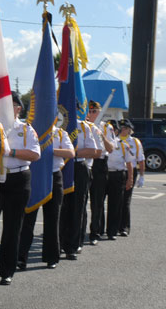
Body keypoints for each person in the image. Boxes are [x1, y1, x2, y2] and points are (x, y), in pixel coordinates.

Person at [0, 91, 40, 285]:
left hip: (18, 178)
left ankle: (6, 271)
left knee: (12, 228)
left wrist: (10, 152)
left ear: (18, 108)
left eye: (9, 104)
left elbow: (35, 154)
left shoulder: (26, 129)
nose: (4, 108)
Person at [18, 124, 74, 269]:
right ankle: (21, 257)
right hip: (35, 176)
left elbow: (71, 153)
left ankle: (51, 257)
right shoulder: (32, 130)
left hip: (54, 176)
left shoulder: (60, 133)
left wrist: (50, 150)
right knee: (28, 218)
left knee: (53, 218)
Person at [60, 117, 99, 260]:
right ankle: (58, 243)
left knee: (77, 207)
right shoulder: (57, 123)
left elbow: (93, 150)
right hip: (61, 167)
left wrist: (71, 153)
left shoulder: (83, 126)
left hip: (78, 166)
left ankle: (72, 246)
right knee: (60, 207)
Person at [86, 100, 117, 245]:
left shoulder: (106, 127)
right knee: (81, 200)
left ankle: (95, 232)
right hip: (86, 162)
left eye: (95, 111)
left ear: (100, 112)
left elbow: (111, 148)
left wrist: (102, 136)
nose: (92, 114)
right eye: (90, 111)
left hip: (99, 164)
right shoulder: (83, 125)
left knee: (97, 201)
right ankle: (78, 233)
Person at [106, 122, 135, 240]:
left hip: (117, 175)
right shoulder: (101, 143)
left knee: (115, 204)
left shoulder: (123, 145)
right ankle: (98, 230)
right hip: (104, 174)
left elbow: (129, 163)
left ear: (116, 132)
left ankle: (112, 231)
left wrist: (130, 179)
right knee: (98, 204)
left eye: (112, 130)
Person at [117, 119, 144, 237]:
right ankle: (114, 226)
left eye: (126, 128)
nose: (123, 130)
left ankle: (124, 227)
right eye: (121, 127)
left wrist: (142, 176)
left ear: (129, 130)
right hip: (117, 171)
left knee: (126, 200)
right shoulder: (114, 139)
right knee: (116, 200)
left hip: (130, 171)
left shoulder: (135, 142)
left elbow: (141, 159)